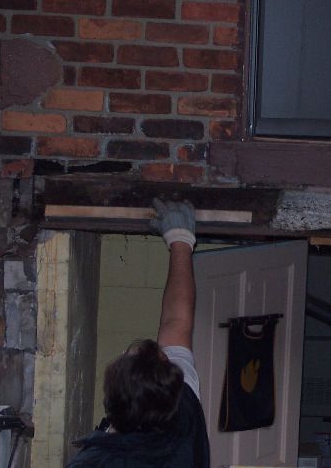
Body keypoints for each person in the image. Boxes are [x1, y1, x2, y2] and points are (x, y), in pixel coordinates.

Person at [67, 199, 210, 467]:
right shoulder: (183, 413)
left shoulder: (94, 463)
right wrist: (180, 240)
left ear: (111, 402)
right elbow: (176, 322)